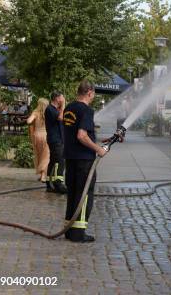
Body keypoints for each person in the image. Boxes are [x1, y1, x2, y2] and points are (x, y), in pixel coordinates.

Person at [63, 80, 108, 242]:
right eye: (93, 94)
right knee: (84, 195)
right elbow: (81, 135)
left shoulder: (69, 108)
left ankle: (69, 229)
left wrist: (100, 140)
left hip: (70, 158)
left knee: (73, 193)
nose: (93, 97)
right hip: (84, 160)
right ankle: (78, 233)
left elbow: (76, 132)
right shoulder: (87, 110)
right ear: (89, 92)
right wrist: (98, 149)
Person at [44, 91, 67, 194]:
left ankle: (49, 183)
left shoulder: (55, 109)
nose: (63, 99)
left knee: (53, 161)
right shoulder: (50, 109)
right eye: (62, 97)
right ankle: (58, 184)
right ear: (57, 98)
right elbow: (60, 117)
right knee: (59, 160)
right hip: (55, 139)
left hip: (58, 139)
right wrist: (63, 106)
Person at [27, 98, 50, 183]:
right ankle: (43, 175)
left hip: (36, 136)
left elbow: (29, 121)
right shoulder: (48, 113)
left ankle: (42, 175)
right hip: (46, 136)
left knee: (39, 155)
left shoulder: (35, 113)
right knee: (46, 156)